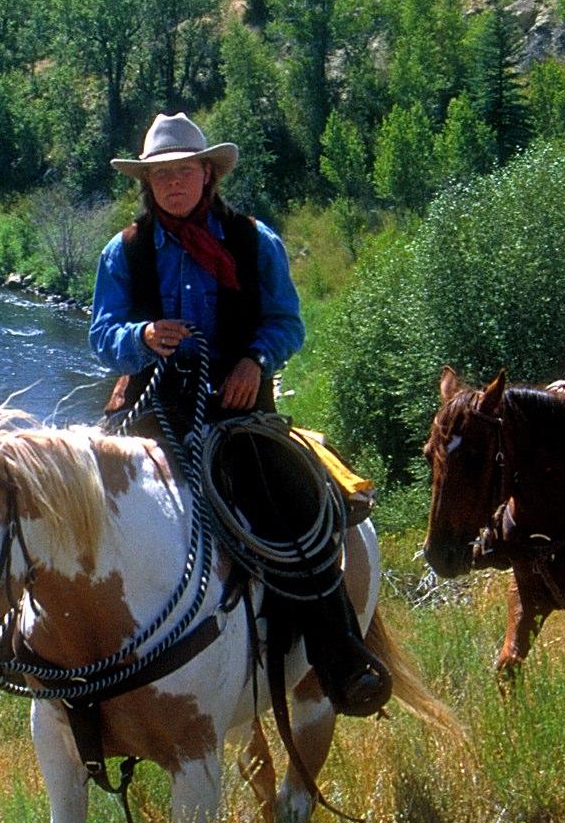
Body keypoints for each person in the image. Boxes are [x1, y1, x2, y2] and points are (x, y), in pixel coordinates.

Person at [89, 113, 389, 718]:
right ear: (147, 184)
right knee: (78, 514)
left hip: (239, 413)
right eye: (161, 175)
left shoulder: (255, 243)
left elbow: (288, 324)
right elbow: (102, 334)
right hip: (150, 415)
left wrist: (255, 359)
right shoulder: (124, 252)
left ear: (207, 174)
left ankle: (340, 655)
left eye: (184, 172)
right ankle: (64, 668)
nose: (174, 184)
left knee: (292, 511)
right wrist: (143, 336)